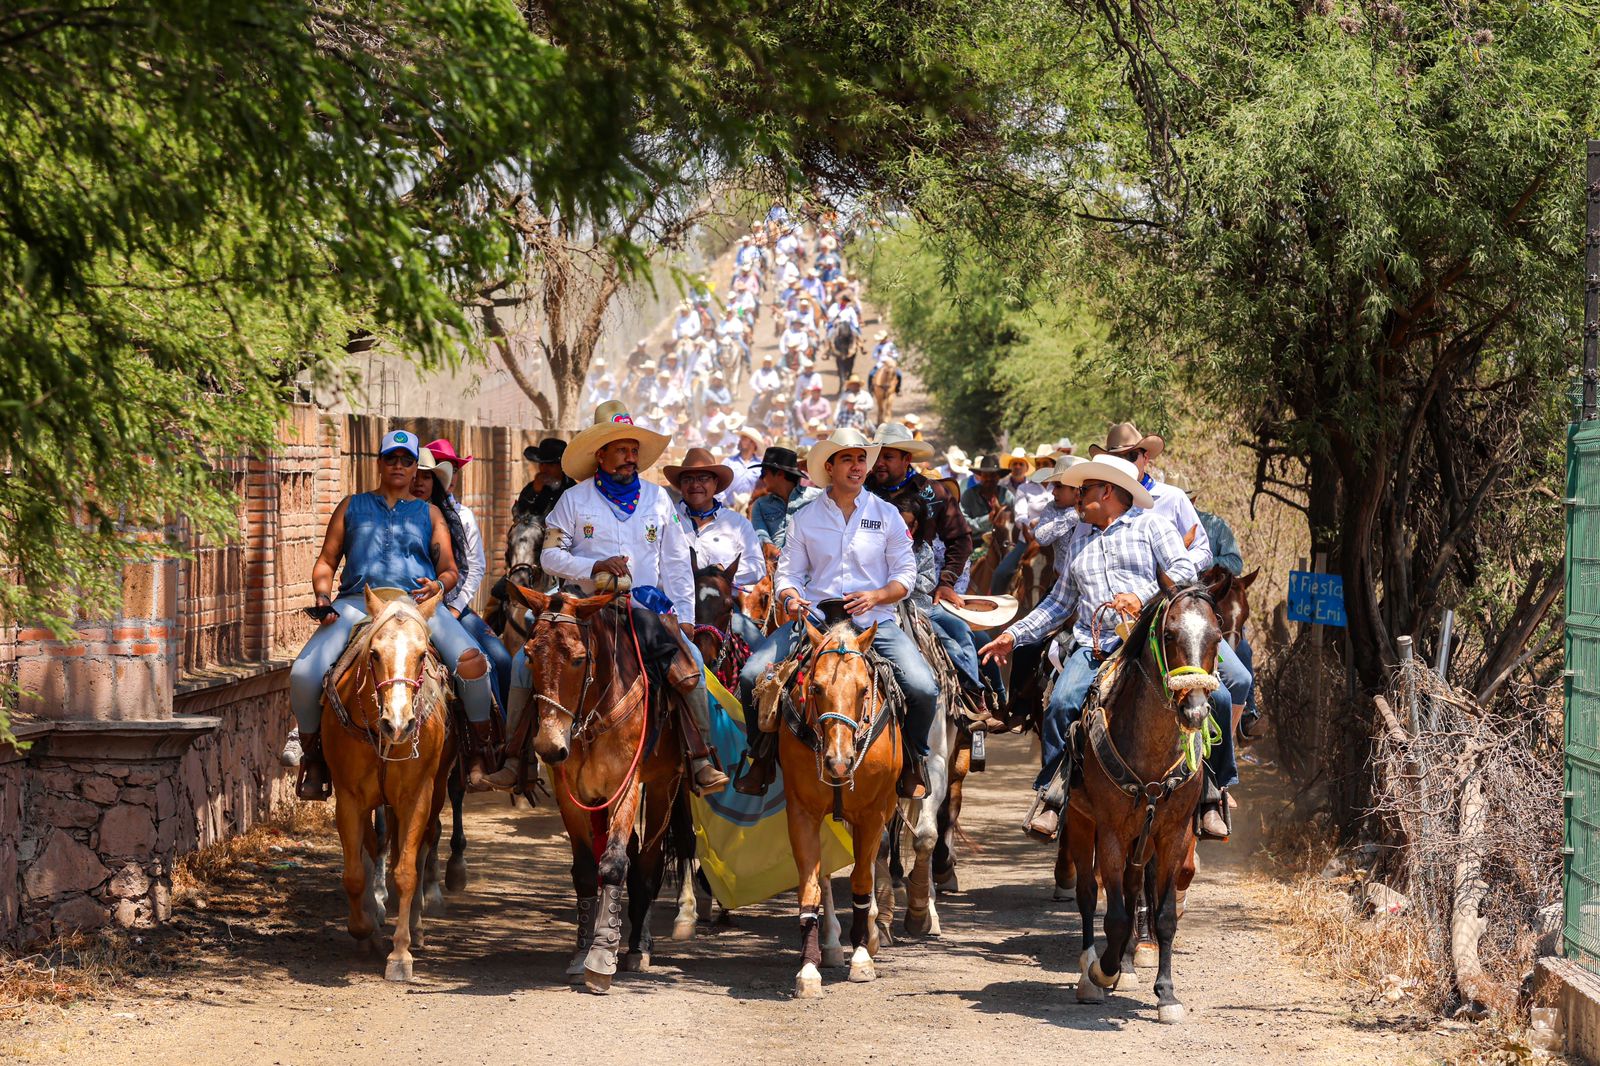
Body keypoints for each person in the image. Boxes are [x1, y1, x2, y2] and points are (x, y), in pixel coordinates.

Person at [978, 453, 1232, 840]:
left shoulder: (1152, 525)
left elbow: (1182, 571)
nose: (1077, 498)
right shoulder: (1079, 538)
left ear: (1107, 491)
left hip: (1151, 643)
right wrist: (1014, 635)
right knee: (1061, 704)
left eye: (1085, 491)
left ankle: (1212, 793)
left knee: (1220, 699)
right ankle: (1054, 793)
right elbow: (1059, 603)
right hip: (1094, 645)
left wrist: (1142, 595)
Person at [492, 402, 730, 795]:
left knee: (689, 664)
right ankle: (514, 758)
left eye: (634, 450)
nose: (630, 457)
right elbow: (549, 555)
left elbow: (675, 565)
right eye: (621, 450)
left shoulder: (659, 501)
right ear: (600, 454)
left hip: (644, 606)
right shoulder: (573, 501)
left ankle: (699, 757)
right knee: (523, 661)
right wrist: (593, 564)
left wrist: (684, 618)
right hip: (583, 607)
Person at [285, 430, 496, 800]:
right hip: (358, 604)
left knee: (473, 664)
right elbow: (326, 562)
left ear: (416, 467)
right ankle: (315, 757)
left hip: (416, 605)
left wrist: (440, 586)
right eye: (391, 458)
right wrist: (322, 597)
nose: (398, 466)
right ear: (379, 462)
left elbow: (449, 568)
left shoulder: (429, 512)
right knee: (304, 673)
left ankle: (478, 750)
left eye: (406, 460)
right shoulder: (352, 506)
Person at [734, 428, 939, 799]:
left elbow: (906, 575)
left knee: (924, 687)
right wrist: (792, 597)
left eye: (862, 459)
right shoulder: (806, 518)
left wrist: (877, 595)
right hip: (815, 619)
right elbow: (790, 573)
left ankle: (913, 760)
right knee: (751, 676)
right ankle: (759, 759)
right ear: (829, 467)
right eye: (848, 459)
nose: (858, 466)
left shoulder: (888, 515)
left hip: (874, 621)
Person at [1088, 422, 1252, 757]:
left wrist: (1172, 577)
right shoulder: (1103, 499)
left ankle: (1216, 785)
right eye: (1114, 457)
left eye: (1130, 456)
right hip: (1117, 613)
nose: (1123, 463)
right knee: (1073, 689)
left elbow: (1203, 550)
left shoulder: (1172, 498)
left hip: (1174, 609)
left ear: (1145, 457)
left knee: (1233, 682)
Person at [868, 423, 988, 702]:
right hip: (869, 593)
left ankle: (972, 698)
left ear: (906, 459)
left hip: (921, 594)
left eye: (888, 457)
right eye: (877, 456)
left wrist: (945, 583)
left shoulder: (933, 493)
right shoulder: (862, 492)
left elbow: (960, 540)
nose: (880, 463)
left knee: (960, 634)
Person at [422, 438, 514, 712]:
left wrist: (455, 607)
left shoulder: (462, 517)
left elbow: (474, 568)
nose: (446, 477)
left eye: (450, 470)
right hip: (416, 604)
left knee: (500, 658)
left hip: (454, 607)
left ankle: (504, 735)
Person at [664, 448, 766, 646]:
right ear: (681, 485)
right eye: (688, 479)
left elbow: (757, 567)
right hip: (674, 608)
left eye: (703, 478)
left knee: (756, 665)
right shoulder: (667, 519)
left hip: (723, 609)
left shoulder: (737, 523)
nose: (695, 485)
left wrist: (722, 576)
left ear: (715, 483)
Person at [750, 445, 817, 549]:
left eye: (764, 473)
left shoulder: (817, 498)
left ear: (780, 474)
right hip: (774, 563)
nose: (761, 478)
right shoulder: (760, 505)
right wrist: (767, 546)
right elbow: (760, 534)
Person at [514, 438, 575, 524]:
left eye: (550, 465)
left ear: (561, 466)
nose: (544, 469)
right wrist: (534, 491)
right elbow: (521, 514)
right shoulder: (531, 487)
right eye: (541, 464)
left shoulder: (573, 489)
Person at [961, 454, 1015, 544]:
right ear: (981, 476)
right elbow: (963, 524)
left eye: (993, 475)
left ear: (999, 477)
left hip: (1003, 542)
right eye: (986, 475)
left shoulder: (1006, 495)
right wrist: (987, 519)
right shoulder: (969, 495)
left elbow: (1016, 518)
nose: (989, 479)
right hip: (976, 543)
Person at [721, 426, 766, 506]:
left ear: (753, 443)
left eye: (744, 438)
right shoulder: (728, 462)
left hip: (751, 510)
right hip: (729, 509)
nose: (740, 440)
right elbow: (718, 484)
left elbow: (763, 488)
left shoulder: (760, 466)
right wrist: (724, 502)